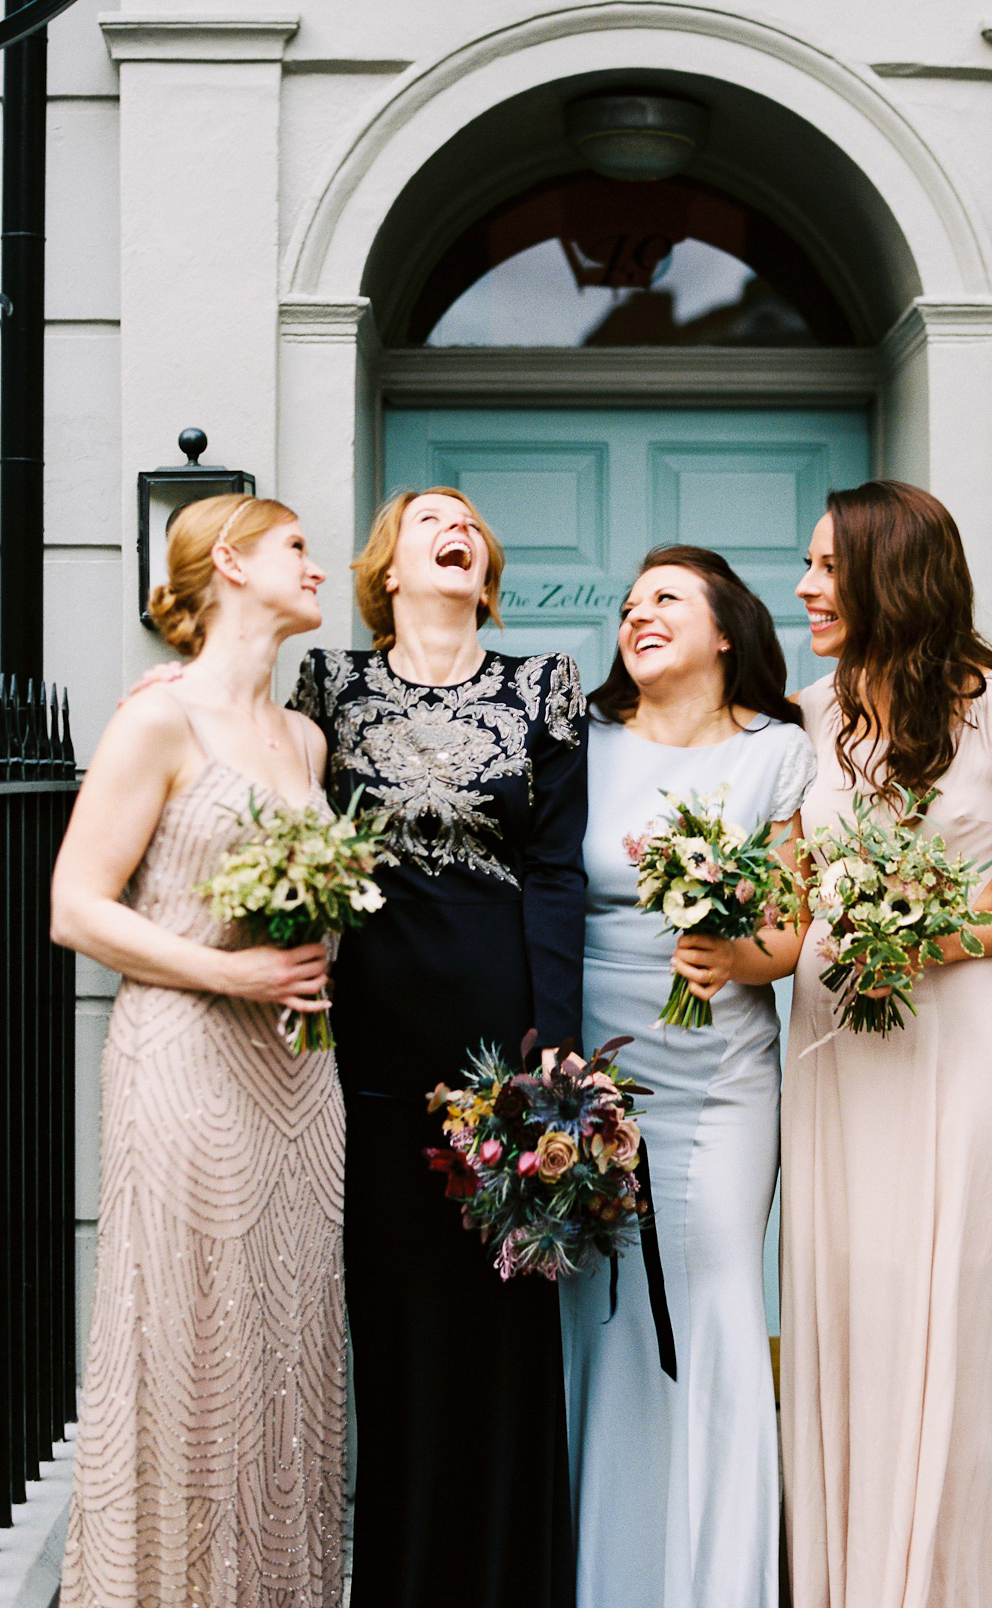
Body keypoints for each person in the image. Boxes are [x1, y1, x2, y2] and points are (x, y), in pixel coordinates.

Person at [781, 481, 992, 1608]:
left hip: (951, 1040)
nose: (806, 586)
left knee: (937, 1304)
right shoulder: (806, 715)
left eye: (827, 566)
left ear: (888, 575)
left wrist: (938, 934)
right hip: (833, 1046)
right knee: (841, 1296)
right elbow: (789, 903)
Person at [291, 487, 585, 1608]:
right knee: (396, 1319)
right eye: (430, 521)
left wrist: (551, 1043)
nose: (455, 531)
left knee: (504, 1319)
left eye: (469, 524)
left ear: (484, 567)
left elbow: (556, 872)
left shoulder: (541, 688)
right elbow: (260, 778)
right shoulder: (329, 686)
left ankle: (514, 1580)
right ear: (390, 568)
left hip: (499, 1043)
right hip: (365, 1041)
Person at [53, 495, 346, 1608]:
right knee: (190, 1344)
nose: (319, 569)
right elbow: (76, 908)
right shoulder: (157, 721)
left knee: (288, 1349)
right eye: (298, 551)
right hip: (186, 1062)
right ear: (230, 562)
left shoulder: (305, 736)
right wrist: (230, 972)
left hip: (298, 1074)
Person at [558, 545, 816, 1608]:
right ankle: (605, 1577)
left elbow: (791, 930)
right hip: (587, 1069)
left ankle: (717, 1582)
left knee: (712, 1301)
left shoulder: (776, 754)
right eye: (627, 604)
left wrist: (736, 953)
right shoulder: (577, 742)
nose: (638, 614)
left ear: (724, 630)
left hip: (718, 1075)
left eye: (666, 598)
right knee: (600, 1311)